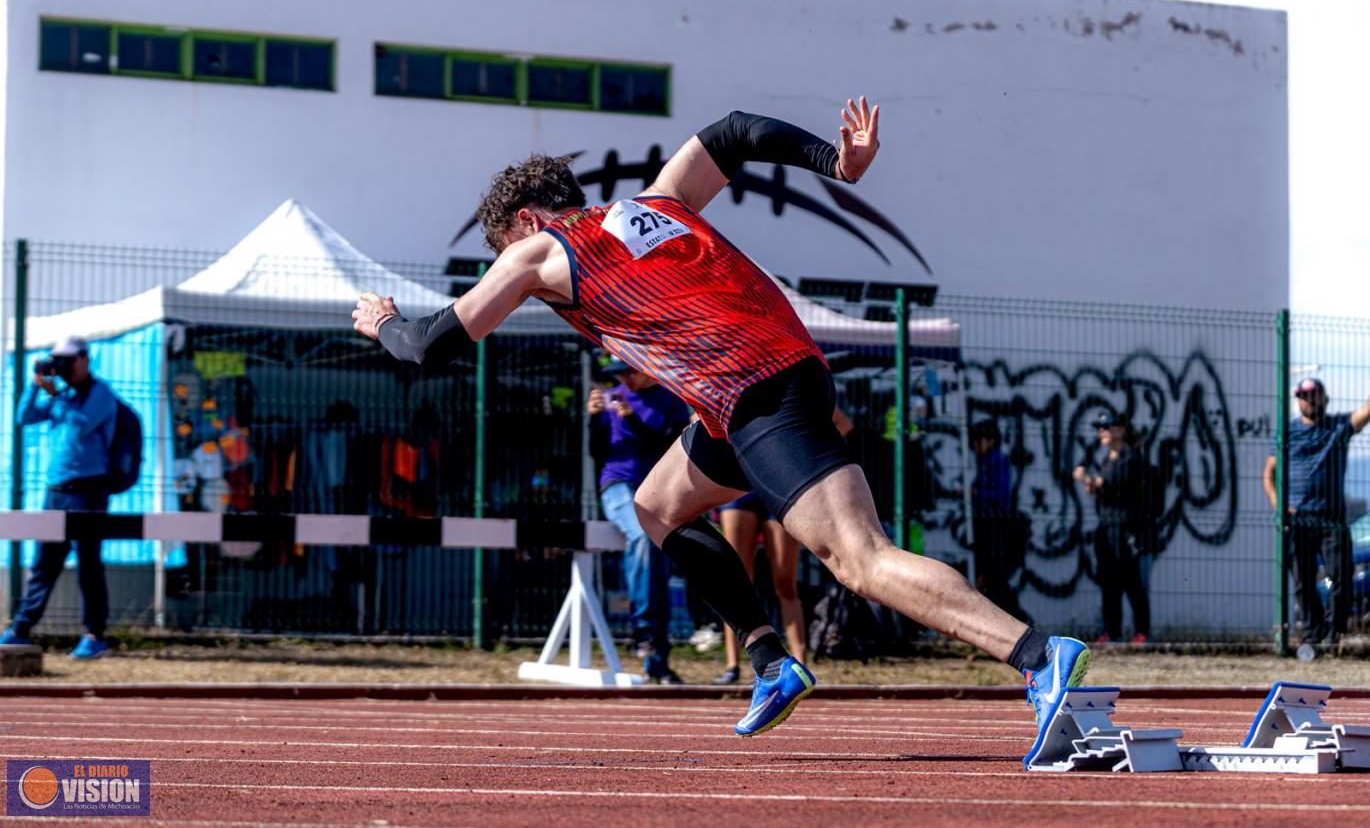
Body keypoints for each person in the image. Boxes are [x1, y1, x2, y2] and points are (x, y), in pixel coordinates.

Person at [353, 95, 1088, 760]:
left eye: (503, 252)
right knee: (658, 505)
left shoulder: (538, 249)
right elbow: (735, 132)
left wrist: (383, 322)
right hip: (749, 394)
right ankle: (771, 658)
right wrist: (837, 164)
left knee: (858, 560)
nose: (509, 274)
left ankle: (1036, 655)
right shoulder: (660, 201)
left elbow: (430, 346)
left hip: (758, 392)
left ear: (525, 223)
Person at [715, 407, 852, 685]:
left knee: (785, 580)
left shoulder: (783, 378)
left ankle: (800, 661)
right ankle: (733, 664)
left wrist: (803, 450)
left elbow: (842, 423)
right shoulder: (725, 378)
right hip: (737, 489)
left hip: (777, 486)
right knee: (735, 580)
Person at [0, 335, 116, 659]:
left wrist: (57, 394)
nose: (61, 365)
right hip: (56, 492)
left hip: (88, 491)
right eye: (57, 359)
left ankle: (95, 635)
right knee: (44, 563)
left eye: (67, 359)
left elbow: (80, 426)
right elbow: (24, 417)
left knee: (88, 565)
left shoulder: (100, 393)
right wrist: (37, 385)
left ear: (84, 359)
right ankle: (20, 629)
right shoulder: (61, 395)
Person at [588, 356, 692, 683]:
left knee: (658, 560)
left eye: (628, 372)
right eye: (617, 374)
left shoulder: (672, 400)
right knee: (644, 538)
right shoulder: (610, 398)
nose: (623, 380)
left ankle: (656, 659)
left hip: (658, 488)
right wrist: (593, 419)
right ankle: (644, 630)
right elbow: (597, 451)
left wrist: (632, 421)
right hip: (618, 484)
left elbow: (670, 449)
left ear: (647, 368)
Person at [1262, 378, 1370, 649]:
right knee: (1302, 580)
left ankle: (1334, 634)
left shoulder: (1338, 428)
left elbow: (1364, 413)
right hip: (1298, 519)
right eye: (1304, 395)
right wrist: (1279, 506)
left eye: (1314, 395)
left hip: (1332, 517)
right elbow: (1269, 474)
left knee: (1341, 575)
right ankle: (1313, 631)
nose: (1309, 400)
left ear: (1325, 398)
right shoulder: (1287, 433)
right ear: (1297, 400)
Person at [1073, 410, 1151, 645]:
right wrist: (1094, 486)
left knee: (1130, 580)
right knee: (1109, 582)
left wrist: (1087, 478)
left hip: (1124, 527)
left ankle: (1141, 632)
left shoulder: (1130, 457)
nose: (1102, 432)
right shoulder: (1109, 458)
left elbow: (1114, 483)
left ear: (1120, 430)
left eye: (1106, 427)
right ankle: (1111, 632)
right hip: (1106, 527)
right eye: (1100, 428)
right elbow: (1104, 489)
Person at [970, 419, 1031, 625]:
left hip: (994, 525)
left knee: (994, 577)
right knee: (989, 577)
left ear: (990, 440)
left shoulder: (997, 461)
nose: (975, 446)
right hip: (985, 523)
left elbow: (1001, 493)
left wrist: (977, 492)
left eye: (979, 440)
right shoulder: (986, 461)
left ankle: (1019, 621)